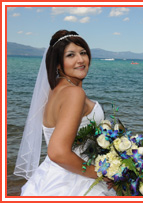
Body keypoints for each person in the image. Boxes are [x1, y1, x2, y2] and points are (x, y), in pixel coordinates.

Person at [14, 30, 116, 196]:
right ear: (58, 64)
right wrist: (99, 174)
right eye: (71, 55)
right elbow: (57, 152)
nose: (80, 60)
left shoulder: (53, 93)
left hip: (50, 177)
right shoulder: (74, 93)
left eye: (83, 53)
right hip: (75, 183)